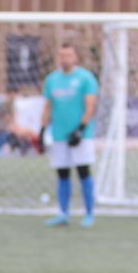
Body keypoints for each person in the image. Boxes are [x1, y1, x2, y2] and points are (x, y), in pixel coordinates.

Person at [41, 43, 98, 227]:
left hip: (81, 134)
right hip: (59, 134)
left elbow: (90, 105)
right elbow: (48, 106)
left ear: (76, 57)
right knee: (62, 173)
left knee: (83, 171)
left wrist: (81, 129)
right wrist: (43, 129)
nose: (65, 59)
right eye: (62, 55)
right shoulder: (52, 79)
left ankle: (89, 213)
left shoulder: (85, 78)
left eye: (68, 55)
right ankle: (63, 213)